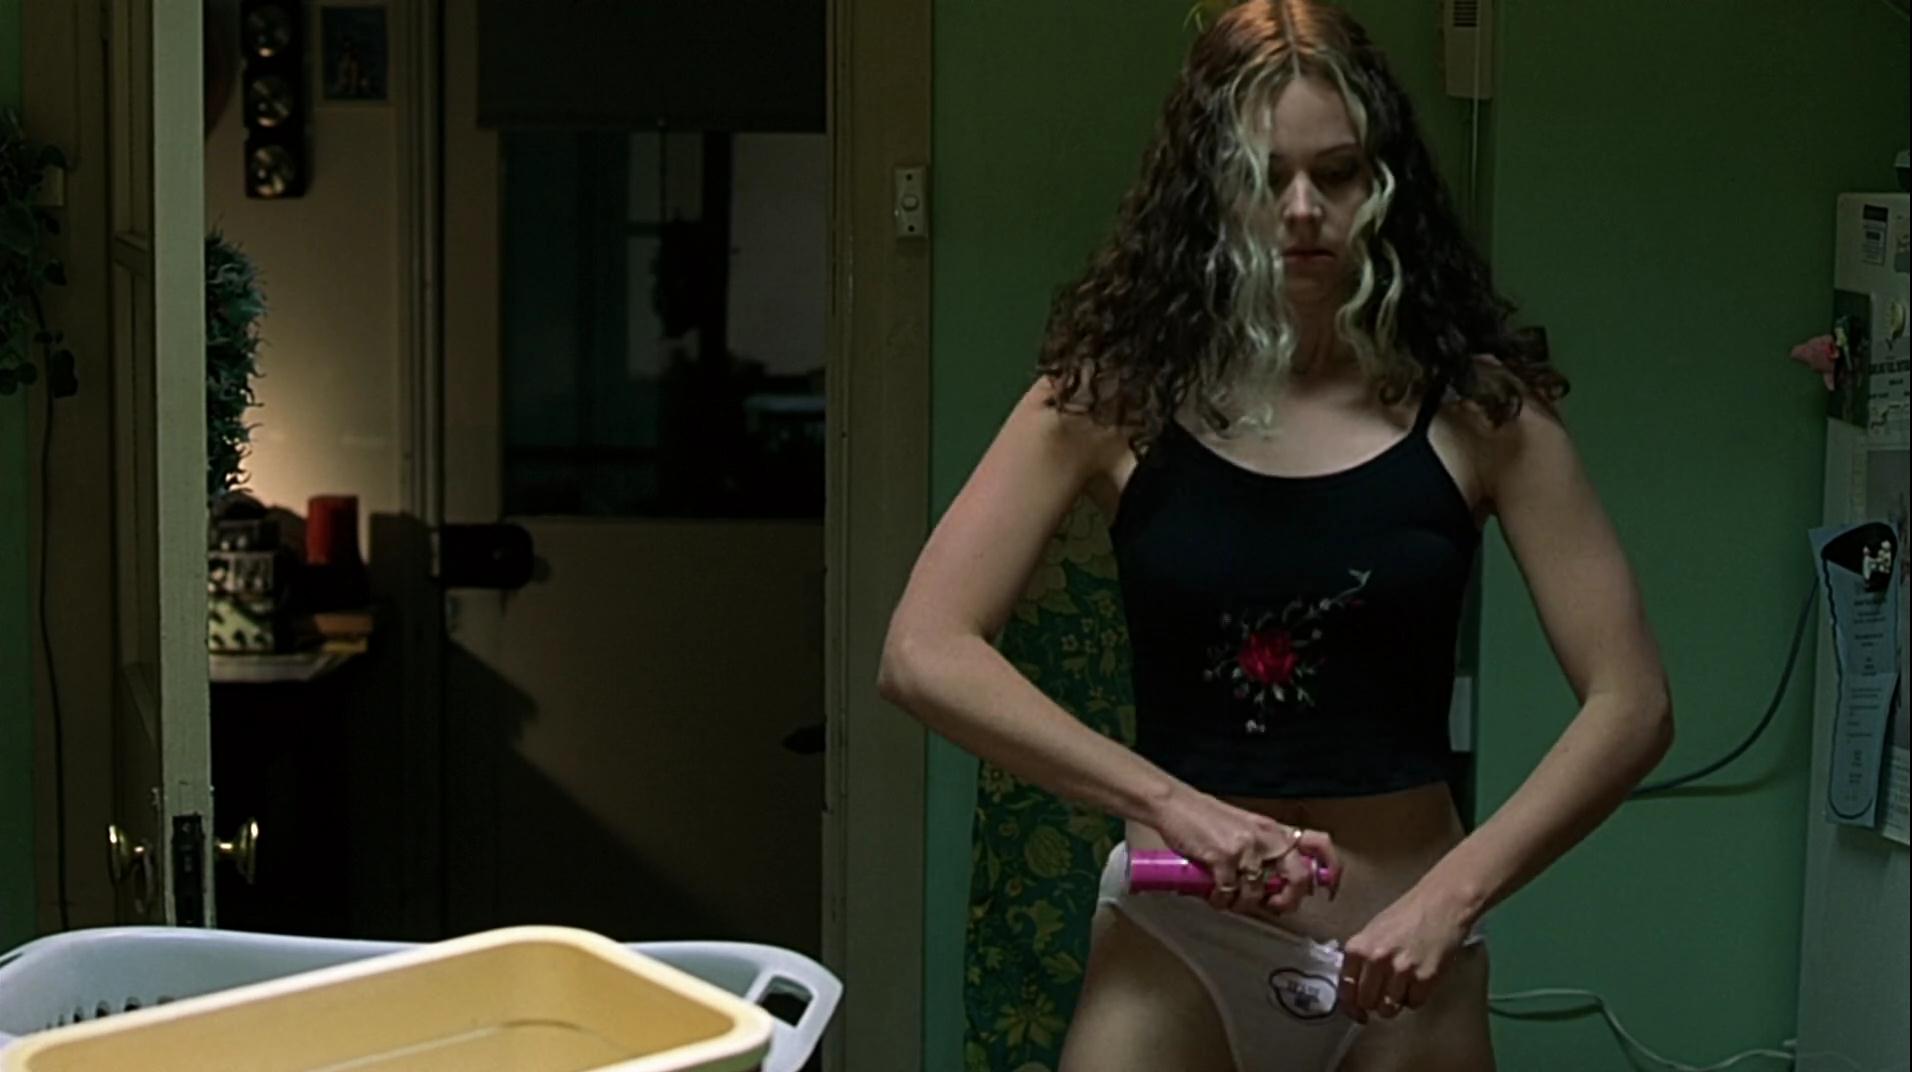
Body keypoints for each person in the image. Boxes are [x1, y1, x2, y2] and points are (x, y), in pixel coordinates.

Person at [875, 2, 1673, 1069]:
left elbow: (1632, 704)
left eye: (1336, 173)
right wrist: (1167, 803)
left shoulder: (1481, 412)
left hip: (1406, 946)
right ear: (1208, 190)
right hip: (1177, 940)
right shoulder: (1113, 397)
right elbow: (922, 650)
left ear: (1383, 183)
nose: (1302, 209)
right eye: (1263, 175)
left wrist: (1454, 896)